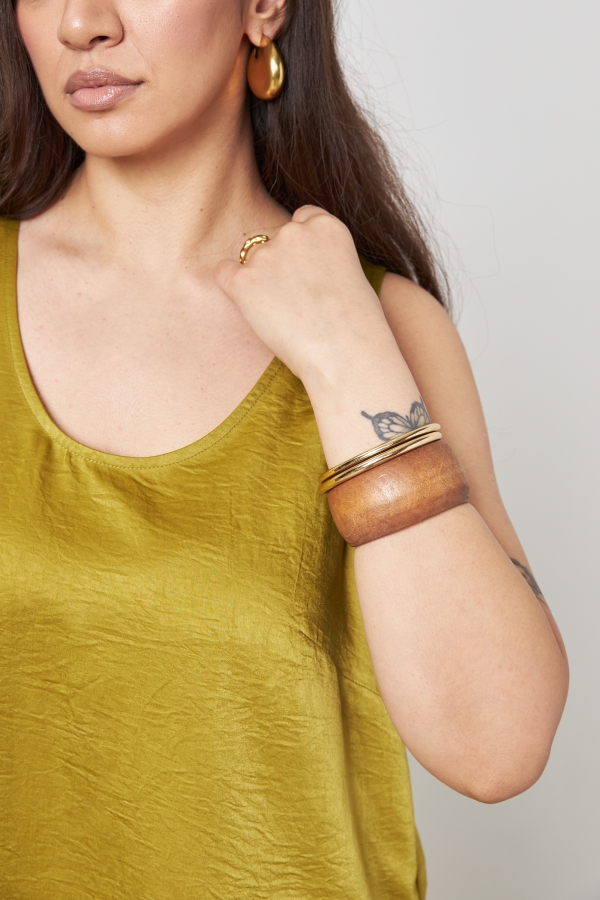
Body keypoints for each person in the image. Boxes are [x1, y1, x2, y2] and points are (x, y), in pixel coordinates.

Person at [0, 0, 568, 897]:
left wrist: (347, 360)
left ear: (264, 8)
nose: (82, 23)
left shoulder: (384, 330)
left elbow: (495, 749)